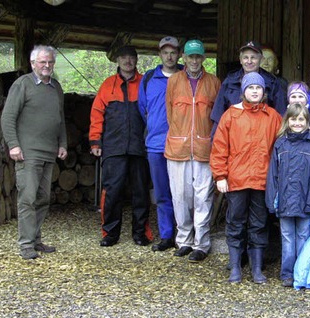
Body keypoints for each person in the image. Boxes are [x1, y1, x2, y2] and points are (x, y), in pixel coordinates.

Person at [210, 72, 282, 284]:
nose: (254, 91)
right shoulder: (231, 115)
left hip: (262, 180)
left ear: (264, 92)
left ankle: (257, 269)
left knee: (259, 224)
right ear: (243, 91)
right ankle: (235, 268)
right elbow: (219, 147)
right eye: (250, 88)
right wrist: (220, 175)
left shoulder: (273, 117)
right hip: (237, 179)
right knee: (235, 222)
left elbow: (280, 149)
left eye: (258, 88)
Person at [1, 45, 68, 260]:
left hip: (49, 152)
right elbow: (8, 117)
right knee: (28, 199)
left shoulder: (56, 87)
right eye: (42, 62)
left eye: (50, 62)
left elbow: (60, 119)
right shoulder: (22, 84)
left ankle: (36, 239)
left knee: (43, 199)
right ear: (32, 63)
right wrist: (13, 144)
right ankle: (26, 244)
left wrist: (63, 143)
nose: (47, 65)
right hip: (28, 153)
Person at [89, 45, 152, 247]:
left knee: (141, 192)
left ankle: (141, 233)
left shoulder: (145, 83)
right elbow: (97, 114)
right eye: (123, 57)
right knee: (112, 191)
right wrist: (95, 140)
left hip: (140, 146)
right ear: (118, 60)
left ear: (136, 60)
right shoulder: (108, 85)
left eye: (131, 57)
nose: (127, 61)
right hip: (113, 147)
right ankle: (110, 233)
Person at [164, 39, 221, 262]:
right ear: (183, 58)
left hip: (204, 148)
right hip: (178, 147)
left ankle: (202, 244)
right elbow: (170, 113)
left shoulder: (214, 82)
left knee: (203, 197)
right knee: (180, 197)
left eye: (198, 56)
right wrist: (180, 133)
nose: (194, 61)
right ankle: (184, 240)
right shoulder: (174, 81)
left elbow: (216, 116)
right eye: (190, 56)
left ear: (203, 58)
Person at [266, 103, 310, 287]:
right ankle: (287, 273)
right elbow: (273, 174)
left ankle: (302, 271)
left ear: (307, 121)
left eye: (301, 119)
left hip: (305, 199)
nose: (297, 123)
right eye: (293, 119)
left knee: (303, 237)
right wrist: (272, 199)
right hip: (284, 200)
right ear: (287, 120)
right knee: (288, 238)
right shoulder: (280, 143)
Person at [138, 36, 183, 252]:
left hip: (182, 145)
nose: (169, 56)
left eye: (173, 52)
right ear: (159, 55)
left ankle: (185, 235)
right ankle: (167, 236)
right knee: (162, 192)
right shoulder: (149, 79)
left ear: (179, 54)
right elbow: (143, 110)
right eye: (165, 52)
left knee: (184, 193)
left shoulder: (186, 76)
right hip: (156, 144)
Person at [210, 40, 287, 136]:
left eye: (253, 57)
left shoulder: (272, 83)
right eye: (245, 57)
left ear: (260, 59)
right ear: (240, 59)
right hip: (234, 138)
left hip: (263, 139)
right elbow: (218, 117)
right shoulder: (229, 82)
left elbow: (281, 116)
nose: (249, 61)